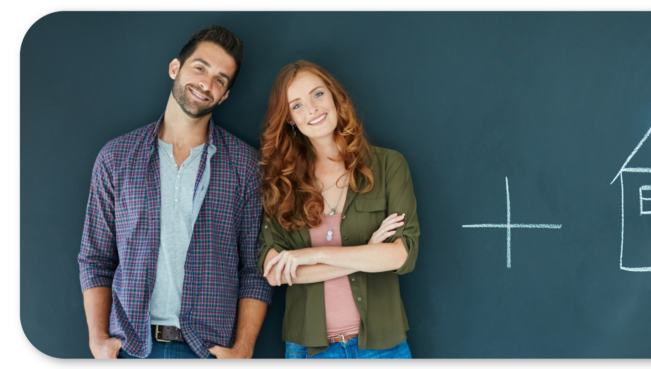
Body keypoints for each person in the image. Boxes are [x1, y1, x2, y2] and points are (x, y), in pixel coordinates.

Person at [77, 25, 272, 359]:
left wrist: (244, 348)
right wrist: (97, 339)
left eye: (221, 80)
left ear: (225, 95)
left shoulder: (245, 165)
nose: (207, 84)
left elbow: (255, 270)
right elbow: (95, 258)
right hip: (131, 348)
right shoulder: (116, 157)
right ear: (175, 68)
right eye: (200, 68)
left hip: (207, 351)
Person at [257, 60, 419, 359]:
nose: (312, 109)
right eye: (297, 105)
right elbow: (276, 273)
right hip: (310, 350)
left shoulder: (389, 166)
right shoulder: (280, 184)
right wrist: (367, 254)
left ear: (333, 96)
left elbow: (400, 255)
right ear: (290, 118)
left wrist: (314, 255)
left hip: (383, 347)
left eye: (318, 95)